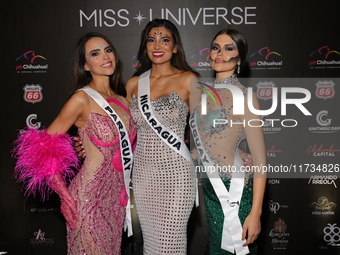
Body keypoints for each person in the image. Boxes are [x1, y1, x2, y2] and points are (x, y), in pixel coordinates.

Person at [13, 32, 136, 254]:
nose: (105, 57)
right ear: (86, 65)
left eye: (108, 50)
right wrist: (63, 194)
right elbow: (40, 148)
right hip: (88, 198)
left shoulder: (123, 99)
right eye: (95, 54)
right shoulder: (81, 99)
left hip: (116, 200)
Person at [125, 18, 199, 254]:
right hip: (144, 175)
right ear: (145, 46)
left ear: (175, 46)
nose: (157, 45)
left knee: (170, 243)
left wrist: (232, 151)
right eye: (151, 39)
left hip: (176, 175)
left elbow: (205, 129)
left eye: (165, 40)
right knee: (152, 245)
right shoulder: (134, 83)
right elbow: (124, 130)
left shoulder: (189, 79)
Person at [189, 29, 266, 255]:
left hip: (235, 195)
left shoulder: (245, 97)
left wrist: (256, 213)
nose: (219, 53)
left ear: (239, 59)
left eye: (228, 48)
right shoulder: (202, 95)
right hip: (211, 193)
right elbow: (202, 147)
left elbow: (260, 160)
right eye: (215, 48)